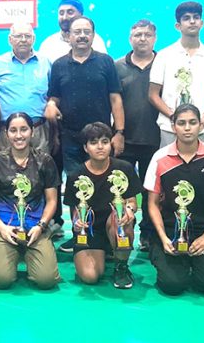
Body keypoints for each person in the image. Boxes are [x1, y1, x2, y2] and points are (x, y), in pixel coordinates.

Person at [45, 16, 124, 253]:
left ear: (93, 35)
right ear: (68, 36)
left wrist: (119, 132)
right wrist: (50, 105)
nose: (81, 36)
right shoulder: (59, 65)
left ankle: (108, 233)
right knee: (76, 185)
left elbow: (115, 99)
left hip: (101, 137)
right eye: (76, 32)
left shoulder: (105, 62)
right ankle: (80, 233)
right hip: (70, 137)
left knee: (105, 185)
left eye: (86, 31)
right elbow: (54, 97)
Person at [145, 104, 204, 296]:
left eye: (192, 123)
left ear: (201, 125)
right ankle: (175, 263)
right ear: (173, 126)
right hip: (170, 230)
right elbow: (152, 203)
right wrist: (163, 237)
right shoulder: (160, 158)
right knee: (172, 286)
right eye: (182, 123)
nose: (187, 128)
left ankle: (198, 263)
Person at [0, 112, 60, 289]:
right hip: (4, 228)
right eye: (13, 130)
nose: (19, 135)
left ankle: (31, 253)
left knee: (46, 281)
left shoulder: (45, 161)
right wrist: (1, 228)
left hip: (36, 228)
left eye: (23, 129)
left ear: (32, 131)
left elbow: (52, 200)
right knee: (0, 280)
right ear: (6, 133)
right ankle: (7, 253)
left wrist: (41, 226)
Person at [64, 122, 141, 288]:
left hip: (116, 225)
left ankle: (121, 267)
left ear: (110, 144)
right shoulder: (75, 175)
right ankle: (106, 253)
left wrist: (129, 210)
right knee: (90, 276)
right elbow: (75, 211)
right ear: (85, 148)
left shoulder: (124, 169)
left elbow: (132, 202)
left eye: (105, 142)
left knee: (119, 217)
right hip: (91, 231)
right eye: (93, 143)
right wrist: (78, 223)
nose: (100, 147)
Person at [149, 1, 204, 147]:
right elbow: (153, 95)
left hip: (203, 129)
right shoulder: (164, 56)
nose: (192, 21)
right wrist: (174, 118)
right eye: (186, 18)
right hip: (170, 129)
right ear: (178, 26)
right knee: (170, 170)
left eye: (196, 17)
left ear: (201, 23)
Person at [114, 19, 161, 251]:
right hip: (125, 140)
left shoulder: (165, 64)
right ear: (130, 38)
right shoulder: (117, 66)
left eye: (147, 34)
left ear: (155, 38)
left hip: (156, 140)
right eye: (137, 34)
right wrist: (117, 133)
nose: (142, 38)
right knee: (122, 189)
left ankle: (149, 233)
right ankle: (121, 230)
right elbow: (113, 102)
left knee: (152, 190)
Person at [0, 22, 52, 154]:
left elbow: (53, 96)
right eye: (18, 36)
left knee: (40, 172)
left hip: (38, 131)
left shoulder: (45, 62)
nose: (23, 40)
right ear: (10, 39)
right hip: (8, 132)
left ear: (33, 39)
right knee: (7, 173)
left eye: (27, 36)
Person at [38, 0, 107, 62]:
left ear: (81, 15)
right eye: (61, 13)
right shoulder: (48, 45)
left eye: (70, 12)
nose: (65, 17)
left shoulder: (96, 42)